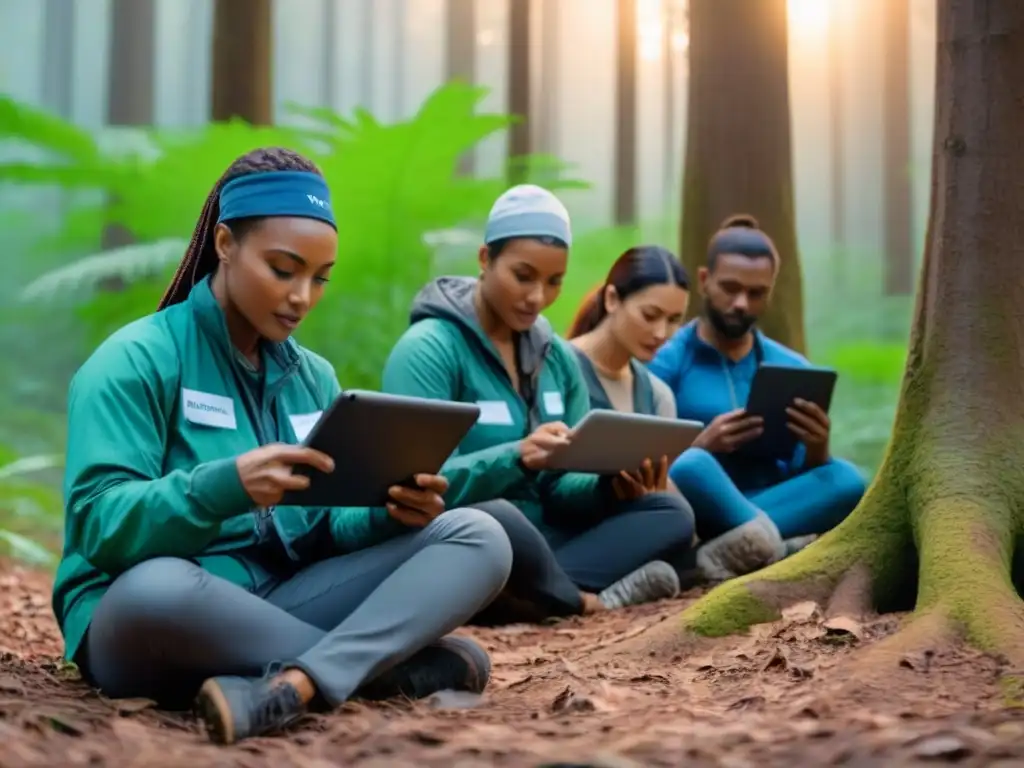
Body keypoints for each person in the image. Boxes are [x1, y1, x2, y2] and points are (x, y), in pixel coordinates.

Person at [50, 148, 515, 746]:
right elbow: (97, 523)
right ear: (224, 243)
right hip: (156, 612)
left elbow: (318, 529)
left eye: (320, 278)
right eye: (283, 269)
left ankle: (292, 687)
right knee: (152, 589)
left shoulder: (313, 378)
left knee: (480, 536)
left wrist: (385, 516)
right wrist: (227, 486)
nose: (302, 296)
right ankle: (393, 669)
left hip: (279, 599)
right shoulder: (135, 360)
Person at [380, 184, 696, 624]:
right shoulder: (429, 349)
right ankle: (574, 600)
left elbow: (562, 489)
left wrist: (608, 488)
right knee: (501, 519)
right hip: (464, 538)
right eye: (523, 276)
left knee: (671, 512)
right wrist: (517, 457)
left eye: (554, 282)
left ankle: (518, 596)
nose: (537, 297)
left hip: (547, 544)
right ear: (485, 259)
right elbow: (412, 484)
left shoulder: (557, 357)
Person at [647, 214, 867, 582]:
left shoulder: (791, 366)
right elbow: (646, 466)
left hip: (775, 500)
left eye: (756, 293)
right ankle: (777, 547)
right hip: (697, 507)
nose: (740, 304)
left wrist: (817, 448)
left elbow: (807, 473)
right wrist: (703, 445)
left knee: (846, 477)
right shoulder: (666, 361)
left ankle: (737, 549)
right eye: (730, 288)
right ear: (704, 281)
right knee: (693, 465)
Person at [565, 244, 689, 419]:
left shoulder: (657, 396)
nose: (661, 333)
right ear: (612, 299)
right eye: (650, 315)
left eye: (674, 320)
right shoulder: (556, 369)